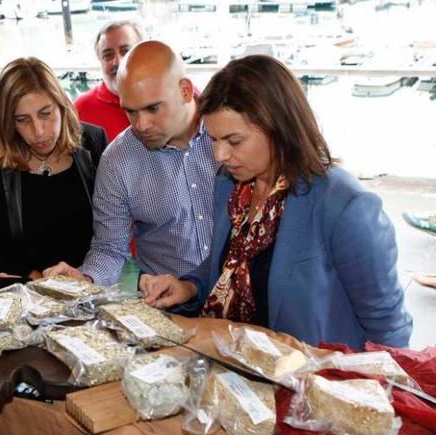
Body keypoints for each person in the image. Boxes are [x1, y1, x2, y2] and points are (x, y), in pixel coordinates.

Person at [141, 55, 412, 349]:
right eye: (214, 140)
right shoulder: (229, 185)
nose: (220, 155)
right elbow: (230, 266)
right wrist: (188, 286)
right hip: (235, 364)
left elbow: (388, 325)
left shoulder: (345, 206)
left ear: (279, 128)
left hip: (313, 380)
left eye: (234, 141)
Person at [45, 41, 219, 286]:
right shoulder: (117, 160)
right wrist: (86, 278)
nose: (141, 125)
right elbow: (110, 248)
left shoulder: (232, 132)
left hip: (246, 297)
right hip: (168, 303)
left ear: (185, 91)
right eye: (131, 112)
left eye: (152, 108)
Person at [0, 57, 107, 278]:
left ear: (62, 105)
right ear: (7, 120)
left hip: (89, 280)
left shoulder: (92, 141)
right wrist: (30, 275)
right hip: (21, 288)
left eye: (46, 114)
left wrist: (88, 275)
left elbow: (113, 225)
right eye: (22, 120)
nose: (38, 131)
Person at [74, 20, 144, 142]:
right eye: (108, 55)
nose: (117, 61)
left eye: (126, 51)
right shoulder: (81, 109)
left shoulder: (166, 100)